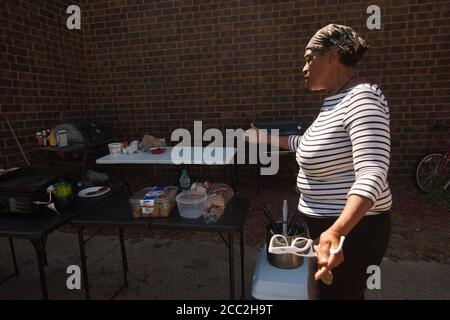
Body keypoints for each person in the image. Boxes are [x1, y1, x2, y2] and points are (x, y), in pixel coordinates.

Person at [246, 24, 392, 299]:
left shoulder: (362, 97)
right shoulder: (334, 102)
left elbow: (373, 171)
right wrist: (262, 137)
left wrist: (337, 232)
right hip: (327, 228)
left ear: (332, 56)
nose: (304, 67)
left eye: (309, 58)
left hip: (355, 231)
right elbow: (306, 145)